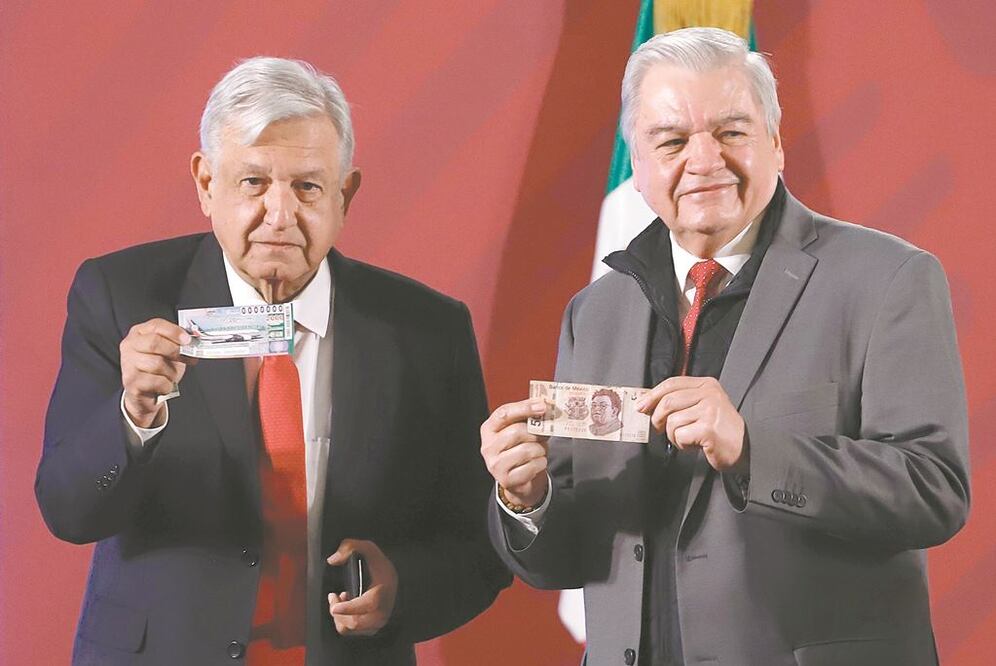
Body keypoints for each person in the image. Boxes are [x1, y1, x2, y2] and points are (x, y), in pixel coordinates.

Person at [481, 27, 968, 666]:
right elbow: (569, 559)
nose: (705, 161)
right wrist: (527, 500)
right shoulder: (594, 314)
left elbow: (933, 492)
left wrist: (750, 451)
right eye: (673, 141)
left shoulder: (887, 279)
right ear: (638, 165)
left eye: (732, 132)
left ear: (775, 142)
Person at [36, 56, 510, 665]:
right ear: (206, 185)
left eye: (308, 186)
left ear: (346, 194)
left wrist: (403, 590)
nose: (280, 215)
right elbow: (67, 509)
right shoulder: (119, 294)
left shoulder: (426, 329)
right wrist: (132, 416)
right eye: (253, 182)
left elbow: (480, 543)